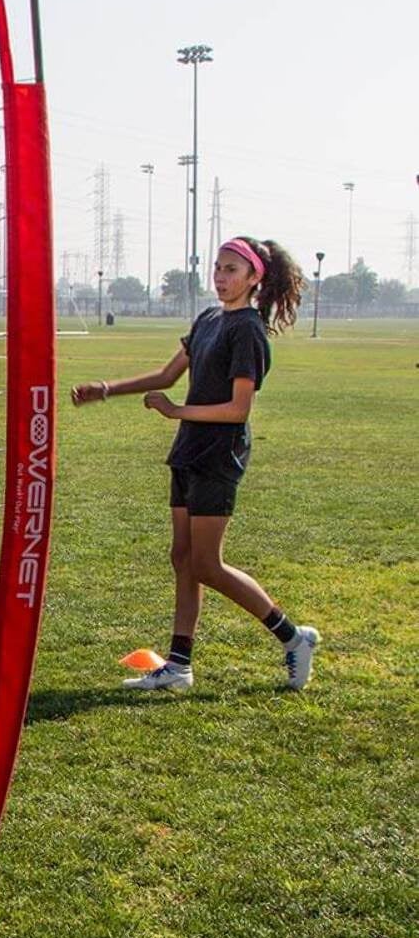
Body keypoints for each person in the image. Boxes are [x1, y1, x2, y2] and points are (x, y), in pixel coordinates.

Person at [71, 236, 318, 692]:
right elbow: (167, 375)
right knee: (182, 559)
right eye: (218, 269)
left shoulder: (247, 330)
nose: (221, 278)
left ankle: (292, 636)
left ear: (253, 278)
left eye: (231, 270)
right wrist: (105, 389)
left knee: (206, 563)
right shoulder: (208, 319)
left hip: (218, 454)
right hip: (188, 449)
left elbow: (238, 409)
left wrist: (175, 411)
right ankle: (179, 666)